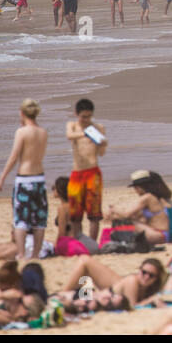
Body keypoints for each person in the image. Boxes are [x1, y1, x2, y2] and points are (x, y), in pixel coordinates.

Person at [0, 99, 49, 259]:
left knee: (21, 219)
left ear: (22, 113)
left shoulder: (22, 132)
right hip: (39, 179)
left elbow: (14, 157)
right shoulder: (43, 132)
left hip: (25, 179)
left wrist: (2, 177)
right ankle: (36, 255)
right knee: (39, 219)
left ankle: (22, 254)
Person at [64, 99, 106, 241]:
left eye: (89, 116)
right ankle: (79, 241)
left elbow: (101, 153)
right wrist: (87, 133)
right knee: (75, 212)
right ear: (76, 114)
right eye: (84, 117)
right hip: (77, 172)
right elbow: (69, 136)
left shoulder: (98, 127)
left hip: (92, 172)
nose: (86, 120)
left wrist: (102, 143)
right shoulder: (73, 126)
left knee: (94, 213)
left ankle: (93, 242)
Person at [60, 256, 167, 309]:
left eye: (151, 275)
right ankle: (62, 293)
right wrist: (150, 300)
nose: (146, 277)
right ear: (139, 271)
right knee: (84, 261)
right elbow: (132, 306)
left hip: (88, 297)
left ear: (156, 279)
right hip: (80, 298)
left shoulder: (147, 288)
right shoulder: (132, 281)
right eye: (144, 272)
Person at [107, 171, 172, 244]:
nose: (135, 190)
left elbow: (127, 214)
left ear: (142, 186)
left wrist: (113, 208)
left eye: (136, 187)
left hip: (160, 235)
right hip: (169, 236)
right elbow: (136, 215)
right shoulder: (162, 198)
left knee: (128, 222)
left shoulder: (147, 197)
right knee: (130, 219)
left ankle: (107, 241)